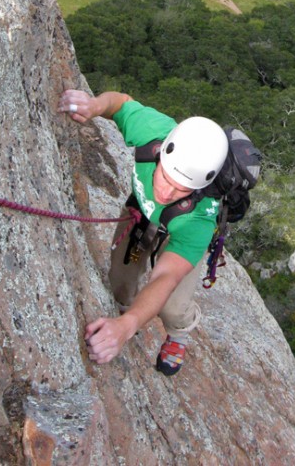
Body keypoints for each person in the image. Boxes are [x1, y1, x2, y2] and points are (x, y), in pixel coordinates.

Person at [59, 89, 228, 375]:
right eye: (164, 175)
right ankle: (128, 308)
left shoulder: (200, 217)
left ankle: (180, 331)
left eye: (180, 189)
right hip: (139, 212)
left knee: (172, 306)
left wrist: (124, 330)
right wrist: (94, 105)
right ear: (162, 154)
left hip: (179, 228)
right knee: (119, 280)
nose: (165, 190)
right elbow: (120, 104)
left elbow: (165, 275)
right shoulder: (152, 131)